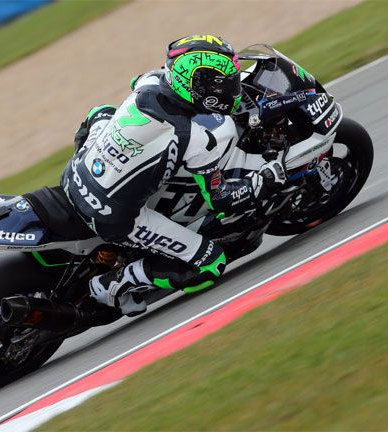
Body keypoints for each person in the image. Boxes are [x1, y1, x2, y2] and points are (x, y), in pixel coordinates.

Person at [61, 34, 286, 316]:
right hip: (114, 217)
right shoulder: (197, 139)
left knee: (102, 112)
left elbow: (137, 82)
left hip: (74, 176)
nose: (233, 88)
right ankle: (112, 284)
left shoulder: (152, 81)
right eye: (227, 83)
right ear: (200, 86)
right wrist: (261, 182)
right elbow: (219, 198)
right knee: (210, 263)